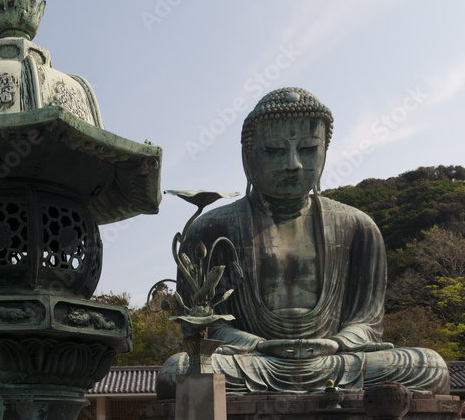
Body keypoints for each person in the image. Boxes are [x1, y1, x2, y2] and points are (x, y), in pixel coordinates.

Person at [157, 87, 450, 397]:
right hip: (255, 361)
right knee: (176, 371)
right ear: (248, 155)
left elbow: (367, 322)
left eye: (308, 148)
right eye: (274, 150)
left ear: (325, 151)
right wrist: (257, 344)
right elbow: (201, 327)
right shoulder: (211, 228)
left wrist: (337, 343)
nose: (293, 164)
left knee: (429, 367)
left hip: (336, 360)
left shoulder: (358, 227)